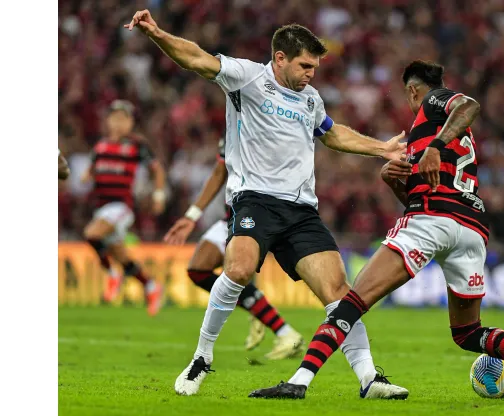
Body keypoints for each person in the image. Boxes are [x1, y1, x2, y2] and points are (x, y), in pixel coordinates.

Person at [249, 61, 504, 403]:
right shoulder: (431, 132)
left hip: (434, 219)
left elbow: (470, 105)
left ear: (412, 90)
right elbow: (418, 194)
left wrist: (435, 146)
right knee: (467, 332)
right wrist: (394, 182)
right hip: (470, 230)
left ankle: (298, 382)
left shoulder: (434, 105)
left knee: (351, 302)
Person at [125, 10, 408, 398]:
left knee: (339, 292)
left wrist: (382, 149)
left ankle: (369, 379)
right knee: (238, 270)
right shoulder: (247, 77)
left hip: (301, 210)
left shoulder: (311, 98)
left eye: (316, 66)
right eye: (305, 65)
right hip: (254, 200)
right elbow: (195, 58)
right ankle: (202, 356)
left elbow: (333, 134)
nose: (312, 73)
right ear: (280, 58)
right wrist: (157, 33)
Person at [164, 138, 303, 360]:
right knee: (198, 270)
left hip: (259, 216)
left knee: (238, 271)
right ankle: (257, 306)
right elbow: (220, 172)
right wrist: (192, 215)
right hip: (232, 217)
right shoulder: (232, 127)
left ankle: (285, 332)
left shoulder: (271, 126)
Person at [81, 100, 166, 316]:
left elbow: (157, 170)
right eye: (114, 118)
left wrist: (158, 195)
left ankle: (112, 274)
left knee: (92, 234)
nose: (118, 123)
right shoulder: (100, 147)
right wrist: (85, 176)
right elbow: (90, 170)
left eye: (123, 118)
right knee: (120, 255)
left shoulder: (137, 145)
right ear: (107, 121)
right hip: (101, 207)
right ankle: (150, 285)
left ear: (131, 122)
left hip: (121, 207)